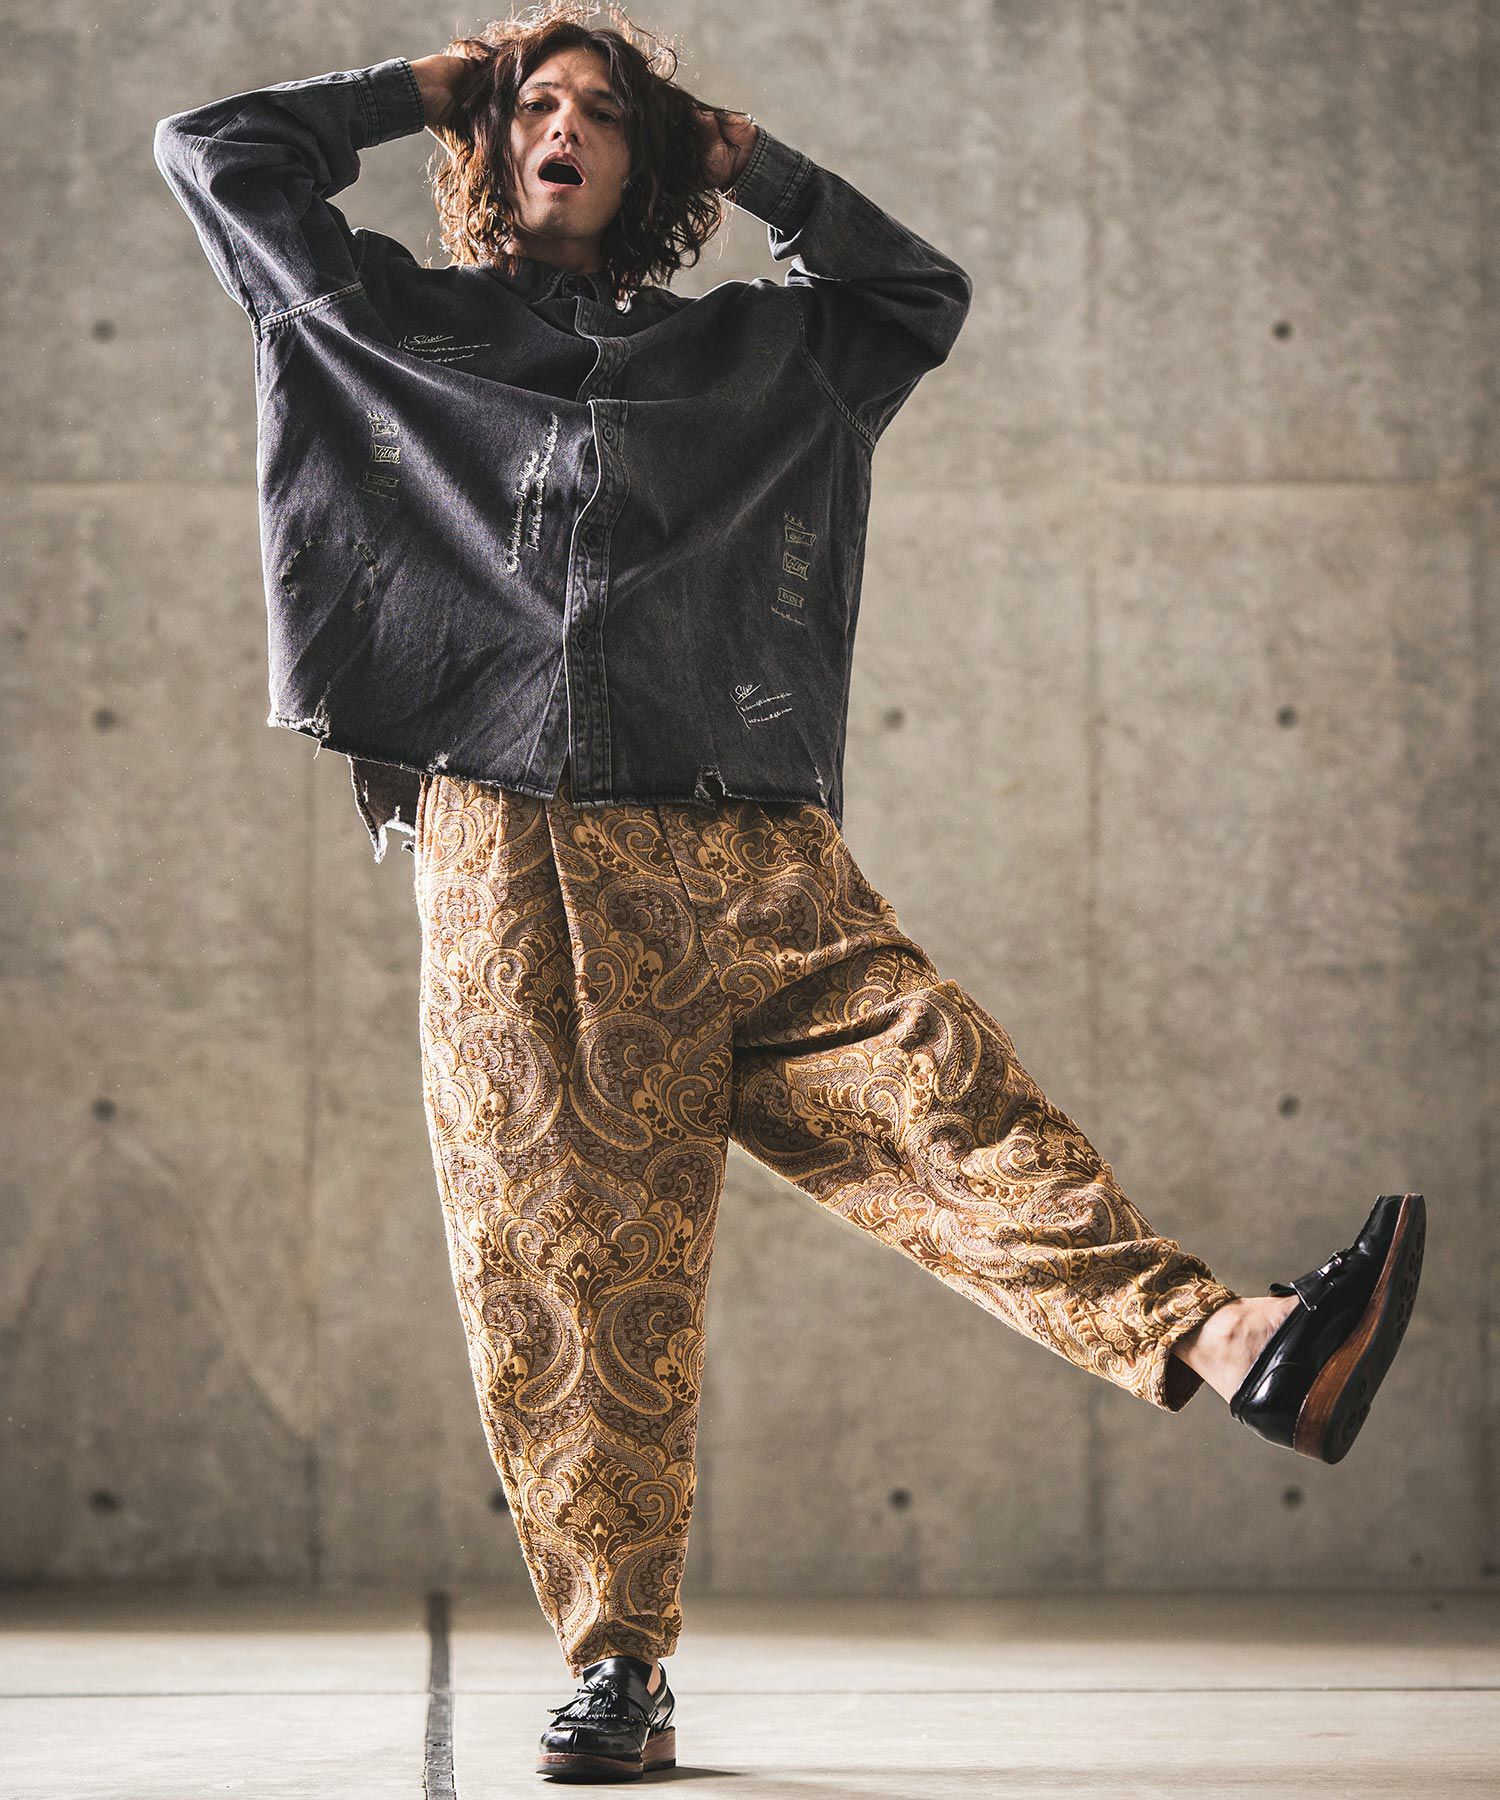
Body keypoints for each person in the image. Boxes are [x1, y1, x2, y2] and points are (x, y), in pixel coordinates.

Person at [153, 2, 1427, 1783]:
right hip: (524, 863)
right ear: (493, 143)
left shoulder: (759, 356)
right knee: (578, 1274)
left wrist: (753, 164)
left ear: (653, 160)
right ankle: (617, 1667)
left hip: (750, 845)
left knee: (950, 1108)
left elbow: (914, 292)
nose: (567, 127)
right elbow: (215, 155)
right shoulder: (386, 320)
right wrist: (427, 85)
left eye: (607, 112)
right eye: (538, 105)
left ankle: (1234, 1339)